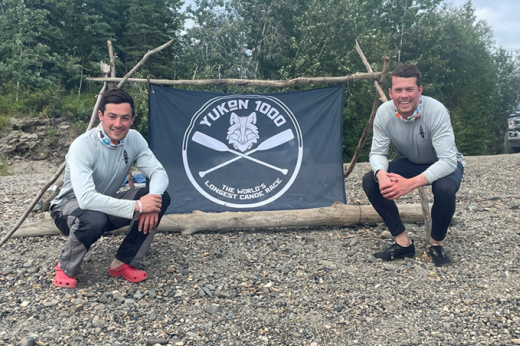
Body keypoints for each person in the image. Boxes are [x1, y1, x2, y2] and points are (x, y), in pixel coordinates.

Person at [50, 89, 171, 288]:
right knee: (93, 218)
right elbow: (87, 199)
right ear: (101, 116)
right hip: (67, 209)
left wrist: (153, 200)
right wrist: (140, 206)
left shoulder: (134, 139)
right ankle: (65, 266)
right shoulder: (83, 146)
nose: (118, 124)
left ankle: (124, 262)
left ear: (132, 119)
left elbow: (158, 172)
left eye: (124, 118)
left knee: (161, 198)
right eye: (112, 117)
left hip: (105, 204)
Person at [362, 64, 465, 267]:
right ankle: (403, 243)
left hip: (443, 161)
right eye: (398, 90)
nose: (404, 95)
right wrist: (382, 174)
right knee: (370, 180)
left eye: (409, 89)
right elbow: (377, 153)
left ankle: (436, 243)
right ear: (391, 92)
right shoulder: (384, 114)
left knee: (444, 188)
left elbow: (448, 160)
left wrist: (410, 184)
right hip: (411, 162)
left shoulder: (436, 110)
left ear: (420, 90)